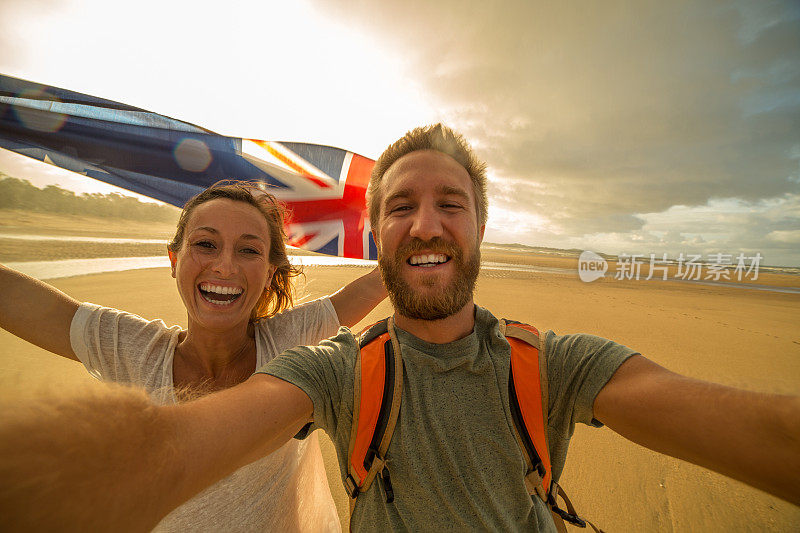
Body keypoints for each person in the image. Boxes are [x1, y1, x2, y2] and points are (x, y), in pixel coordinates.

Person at [1, 126, 798, 532]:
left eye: (450, 203)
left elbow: (710, 414)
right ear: (379, 238)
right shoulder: (333, 368)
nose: (425, 223)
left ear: (481, 228)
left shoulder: (554, 361)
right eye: (401, 209)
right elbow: (169, 447)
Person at [0, 181, 387, 532]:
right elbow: (36, 308)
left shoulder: (288, 340)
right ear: (174, 260)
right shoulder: (136, 350)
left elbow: (381, 281)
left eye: (249, 250)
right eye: (205, 244)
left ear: (269, 274)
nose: (224, 265)